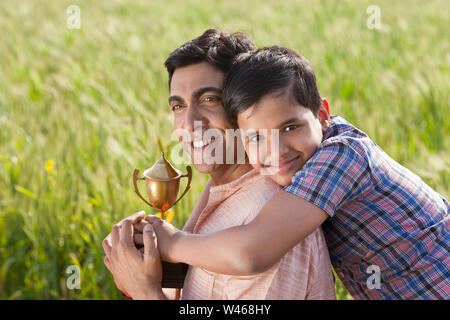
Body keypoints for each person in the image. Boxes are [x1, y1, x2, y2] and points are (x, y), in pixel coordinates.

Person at [148, 46, 450, 299]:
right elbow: (219, 187)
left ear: (321, 115)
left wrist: (171, 242)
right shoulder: (296, 161)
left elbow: (253, 251)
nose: (277, 151)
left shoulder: (341, 157)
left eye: (290, 127)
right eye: (256, 137)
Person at [102, 30, 336, 300]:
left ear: (246, 106)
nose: (189, 124)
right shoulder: (221, 194)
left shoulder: (267, 224)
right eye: (178, 107)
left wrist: (144, 292)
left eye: (209, 100)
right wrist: (143, 267)